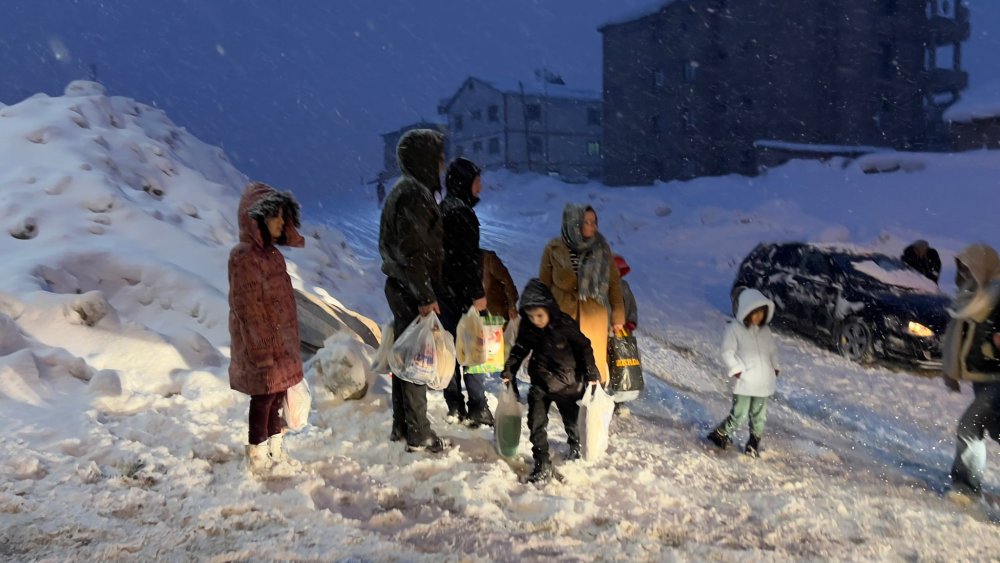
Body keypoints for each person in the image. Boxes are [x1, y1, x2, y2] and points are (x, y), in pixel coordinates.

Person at [228, 182, 306, 474]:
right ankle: (256, 454)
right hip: (261, 347)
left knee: (275, 397)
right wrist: (263, 351)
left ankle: (276, 448)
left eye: (284, 216)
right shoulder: (243, 257)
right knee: (262, 400)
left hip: (280, 345)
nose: (281, 223)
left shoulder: (272, 256)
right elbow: (249, 309)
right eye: (275, 216)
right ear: (257, 218)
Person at [379, 129, 448, 453]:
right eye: (438, 157)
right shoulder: (413, 197)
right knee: (417, 359)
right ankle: (418, 432)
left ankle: (403, 428)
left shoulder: (406, 191)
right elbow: (414, 252)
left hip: (403, 287)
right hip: (411, 290)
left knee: (406, 357)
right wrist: (426, 296)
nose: (442, 164)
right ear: (425, 161)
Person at [502, 279, 600, 483]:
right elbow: (520, 348)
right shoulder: (528, 327)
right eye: (530, 316)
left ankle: (576, 445)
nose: (535, 320)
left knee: (572, 422)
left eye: (539, 315)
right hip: (540, 382)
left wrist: (591, 372)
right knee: (536, 423)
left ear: (549, 308)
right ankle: (542, 462)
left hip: (568, 385)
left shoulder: (564, 324)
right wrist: (509, 370)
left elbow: (584, 346)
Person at [539, 204, 625, 385]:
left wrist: (618, 313)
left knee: (592, 364)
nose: (591, 226)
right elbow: (544, 284)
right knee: (565, 364)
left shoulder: (602, 248)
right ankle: (569, 400)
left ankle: (592, 399)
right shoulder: (553, 248)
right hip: (563, 315)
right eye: (586, 222)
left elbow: (614, 283)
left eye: (594, 221)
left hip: (593, 316)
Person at [941, 244, 1000, 504]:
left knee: (969, 426)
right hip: (980, 376)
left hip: (997, 378)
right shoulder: (972, 295)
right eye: (961, 266)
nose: (963, 271)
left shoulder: (996, 296)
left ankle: (966, 487)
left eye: (968, 266)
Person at [438, 157, 491, 427]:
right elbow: (467, 258)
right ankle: (478, 406)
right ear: (464, 183)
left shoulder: (442, 209)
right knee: (472, 350)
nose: (480, 188)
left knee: (448, 351)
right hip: (461, 296)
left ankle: (454, 406)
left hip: (442, 294)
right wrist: (476, 293)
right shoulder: (463, 214)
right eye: (476, 181)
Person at [707, 288, 780, 457]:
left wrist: (775, 366)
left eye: (762, 313)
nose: (759, 317)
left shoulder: (765, 332)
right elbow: (727, 351)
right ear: (746, 311)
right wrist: (737, 370)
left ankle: (753, 443)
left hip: (763, 381)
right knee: (739, 413)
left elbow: (772, 351)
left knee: (759, 415)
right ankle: (720, 433)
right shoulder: (734, 329)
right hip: (746, 381)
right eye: (755, 313)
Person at [482, 248, 519, 323]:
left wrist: (512, 305)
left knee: (495, 332)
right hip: (479, 313)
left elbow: (507, 281)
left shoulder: (488, 259)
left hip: (496, 312)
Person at [614, 255, 638, 333]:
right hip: (610, 328)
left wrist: (632, 321)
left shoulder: (624, 285)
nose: (617, 271)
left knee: (624, 344)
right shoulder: (604, 286)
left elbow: (632, 305)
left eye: (619, 269)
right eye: (615, 269)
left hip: (625, 329)